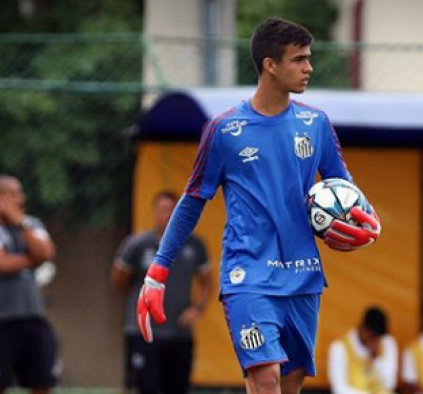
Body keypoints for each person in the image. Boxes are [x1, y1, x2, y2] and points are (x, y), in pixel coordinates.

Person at [136, 17, 381, 394]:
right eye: (299, 59)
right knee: (265, 379)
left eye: (309, 58)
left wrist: (365, 215)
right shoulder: (224, 130)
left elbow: (344, 188)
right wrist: (158, 270)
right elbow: (192, 201)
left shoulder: (316, 124)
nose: (309, 68)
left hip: (303, 274)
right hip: (247, 276)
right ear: (270, 65)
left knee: (290, 381)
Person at [0, 174, 58, 394]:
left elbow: (47, 252)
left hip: (33, 315)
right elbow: (1, 264)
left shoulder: (30, 224)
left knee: (42, 382)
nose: (21, 199)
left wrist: (21, 225)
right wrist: (34, 259)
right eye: (14, 193)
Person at [112, 191, 212, 394]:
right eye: (162, 210)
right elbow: (121, 279)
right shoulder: (138, 244)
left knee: (177, 386)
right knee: (147, 386)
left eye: (171, 211)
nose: (165, 215)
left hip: (178, 331)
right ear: (154, 212)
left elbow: (208, 281)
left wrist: (197, 308)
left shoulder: (194, 244)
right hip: (145, 332)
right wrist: (140, 302)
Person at [328, 307, 398, 394]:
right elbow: (338, 389)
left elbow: (389, 384)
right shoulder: (339, 347)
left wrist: (376, 358)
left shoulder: (387, 342)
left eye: (378, 337)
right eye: (372, 335)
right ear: (363, 328)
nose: (375, 339)